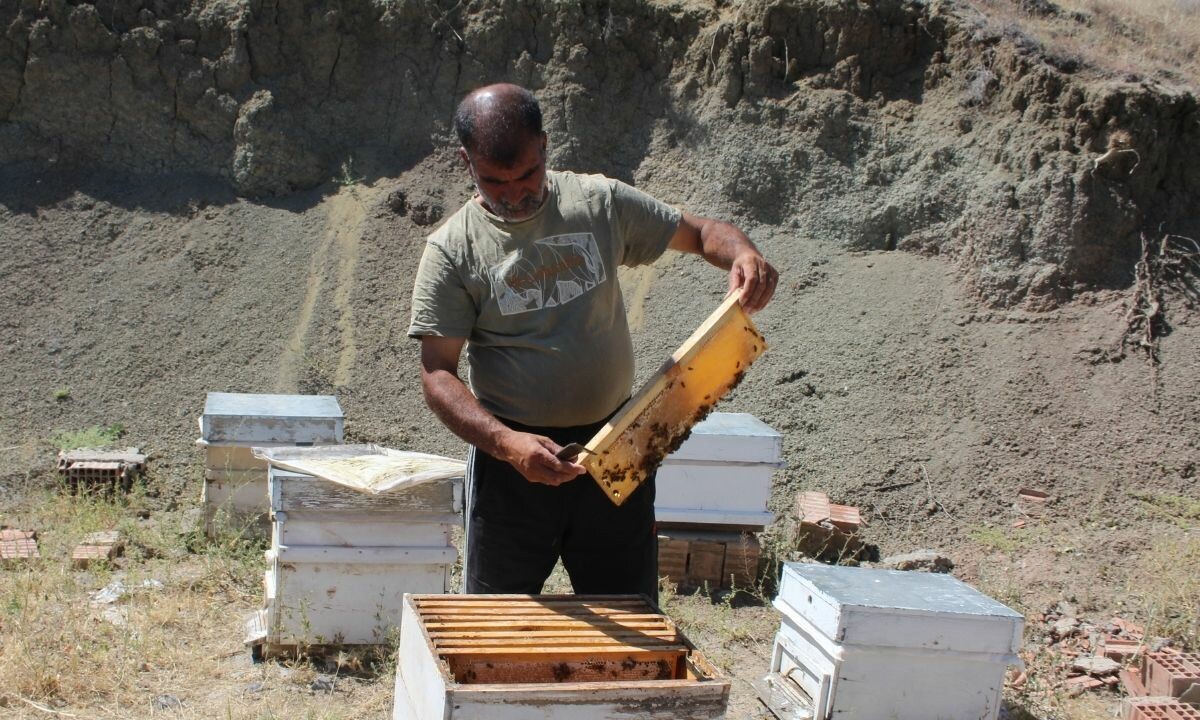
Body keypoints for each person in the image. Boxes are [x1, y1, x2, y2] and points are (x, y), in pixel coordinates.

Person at [408, 83, 777, 602]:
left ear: (544, 146)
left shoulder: (598, 203)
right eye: (495, 182)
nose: (515, 194)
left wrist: (742, 254)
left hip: (619, 448)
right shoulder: (452, 250)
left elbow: (701, 233)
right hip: (512, 470)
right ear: (467, 163)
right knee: (499, 629)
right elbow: (437, 372)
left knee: (630, 617)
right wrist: (507, 445)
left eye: (528, 175)